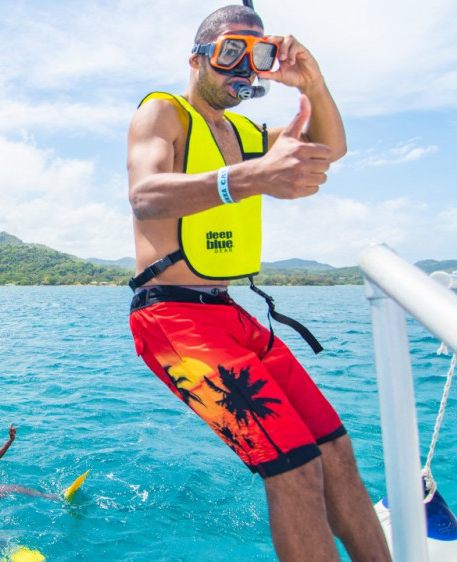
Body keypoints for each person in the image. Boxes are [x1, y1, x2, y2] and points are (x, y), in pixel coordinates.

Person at [125, 5, 390, 561]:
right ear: (197, 58)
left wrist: (312, 82)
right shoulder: (162, 113)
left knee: (335, 453)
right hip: (171, 318)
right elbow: (145, 194)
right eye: (228, 54)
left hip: (230, 314)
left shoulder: (248, 133)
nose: (241, 69)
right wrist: (251, 178)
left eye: (258, 56)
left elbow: (330, 147)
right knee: (293, 470)